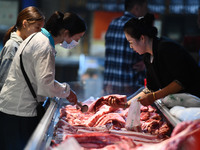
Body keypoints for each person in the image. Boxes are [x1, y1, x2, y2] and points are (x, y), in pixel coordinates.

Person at [0, 11, 86, 150]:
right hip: (19, 112)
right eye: (78, 37)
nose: (76, 42)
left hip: (12, 109)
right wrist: (67, 91)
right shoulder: (44, 46)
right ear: (66, 32)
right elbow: (45, 86)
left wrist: (65, 91)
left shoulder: (37, 38)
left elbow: (40, 78)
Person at [106, 13, 200, 108]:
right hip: (181, 104)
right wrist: (126, 105)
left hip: (195, 100)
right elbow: (151, 89)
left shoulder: (166, 48)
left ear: (142, 38)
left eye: (131, 42)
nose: (131, 47)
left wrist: (155, 96)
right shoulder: (148, 56)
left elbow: (181, 82)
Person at [103, 0, 147, 95]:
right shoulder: (138, 26)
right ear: (136, 8)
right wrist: (146, 62)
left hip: (110, 86)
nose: (146, 11)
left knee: (110, 109)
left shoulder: (113, 23)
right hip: (130, 87)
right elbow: (145, 54)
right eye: (145, 8)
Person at [0, 6, 45, 91]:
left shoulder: (26, 46)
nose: (39, 32)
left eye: (41, 29)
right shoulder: (12, 46)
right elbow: (3, 83)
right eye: (37, 27)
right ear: (25, 24)